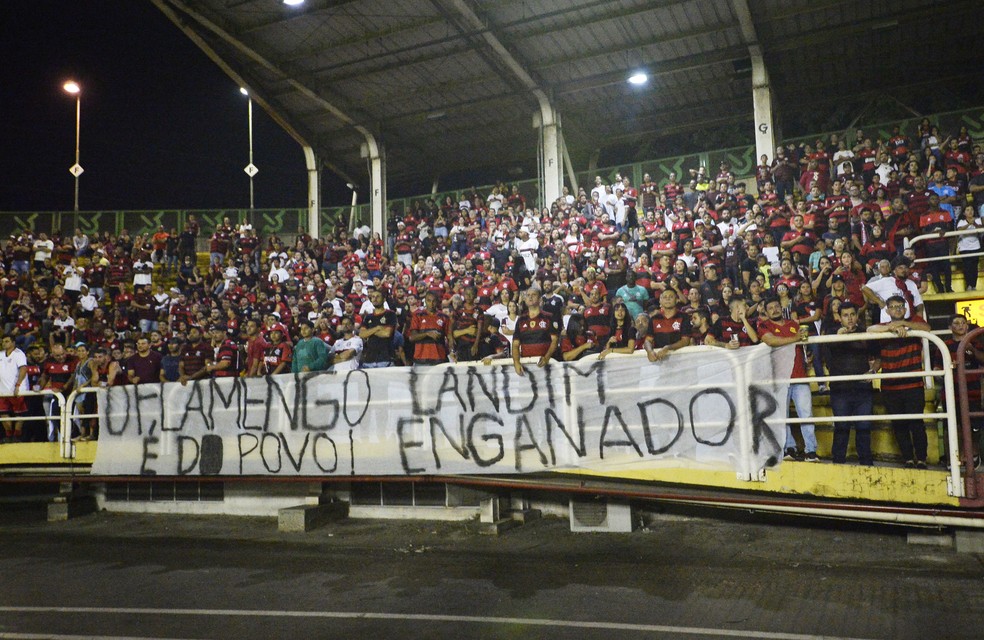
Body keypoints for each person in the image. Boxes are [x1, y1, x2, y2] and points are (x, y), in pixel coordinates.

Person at [868, 295, 931, 468]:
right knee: (899, 424)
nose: (897, 309)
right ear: (887, 310)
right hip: (891, 385)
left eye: (900, 306)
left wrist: (905, 325)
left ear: (905, 309)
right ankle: (908, 459)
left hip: (913, 384)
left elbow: (926, 327)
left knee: (917, 424)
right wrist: (892, 328)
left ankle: (922, 459)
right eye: (893, 307)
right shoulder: (884, 327)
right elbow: (870, 329)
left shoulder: (914, 321)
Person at [758, 298, 818, 461]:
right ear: (766, 311)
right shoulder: (764, 326)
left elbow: (805, 343)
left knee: (806, 414)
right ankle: (788, 448)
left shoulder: (795, 324)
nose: (775, 309)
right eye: (771, 307)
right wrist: (795, 338)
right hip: (779, 379)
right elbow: (771, 341)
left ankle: (811, 450)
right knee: (782, 416)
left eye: (777, 306)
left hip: (799, 375)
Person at [822, 302, 879, 465]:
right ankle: (838, 462)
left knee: (864, 426)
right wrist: (841, 334)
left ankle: (866, 463)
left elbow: (878, 357)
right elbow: (828, 350)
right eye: (845, 315)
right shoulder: (832, 333)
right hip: (840, 388)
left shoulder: (865, 333)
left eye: (852, 314)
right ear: (839, 318)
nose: (850, 318)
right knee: (841, 426)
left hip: (862, 388)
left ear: (857, 315)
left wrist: (873, 371)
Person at [513, 288, 559, 375]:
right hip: (526, 368)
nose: (530, 297)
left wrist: (546, 357)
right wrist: (516, 362)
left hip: (547, 366)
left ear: (540, 299)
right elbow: (515, 344)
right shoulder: (520, 320)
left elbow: (555, 340)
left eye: (533, 295)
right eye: (528, 295)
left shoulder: (549, 317)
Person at [645, 288, 691, 362]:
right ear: (660, 301)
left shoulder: (684, 317)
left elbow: (685, 341)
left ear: (677, 300)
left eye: (671, 297)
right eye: (665, 297)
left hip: (681, 360)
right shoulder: (654, 319)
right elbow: (648, 340)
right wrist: (649, 351)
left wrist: (668, 348)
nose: (668, 299)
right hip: (660, 361)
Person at [408, 292, 451, 366]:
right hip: (420, 359)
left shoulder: (444, 317)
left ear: (437, 301)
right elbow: (412, 337)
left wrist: (452, 352)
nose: (431, 303)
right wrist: (427, 334)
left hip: (439, 360)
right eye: (429, 300)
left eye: (434, 301)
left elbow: (450, 337)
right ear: (425, 301)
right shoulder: (417, 315)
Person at [0, 335, 29, 443]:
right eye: (3, 341)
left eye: (7, 341)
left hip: (17, 389)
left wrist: (18, 385)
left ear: (13, 342)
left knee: (19, 413)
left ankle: (17, 435)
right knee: (3, 412)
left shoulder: (19, 354)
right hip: (2, 390)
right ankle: (8, 435)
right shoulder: (1, 354)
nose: (4, 343)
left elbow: (23, 369)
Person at [360, 289, 397, 368]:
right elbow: (362, 334)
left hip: (386, 358)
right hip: (369, 360)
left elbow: (387, 333)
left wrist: (369, 331)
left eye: (378, 296)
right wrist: (377, 328)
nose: (375, 298)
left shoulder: (390, 314)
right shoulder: (368, 317)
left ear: (384, 299)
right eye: (373, 297)